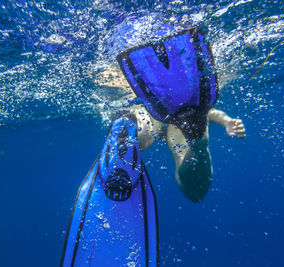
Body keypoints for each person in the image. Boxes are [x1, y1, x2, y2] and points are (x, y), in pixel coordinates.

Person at [96, 27, 246, 202]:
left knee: (144, 126)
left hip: (158, 113)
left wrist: (227, 121)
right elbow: (212, 113)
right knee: (194, 187)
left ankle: (128, 126)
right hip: (182, 120)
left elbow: (212, 113)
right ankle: (198, 144)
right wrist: (227, 121)